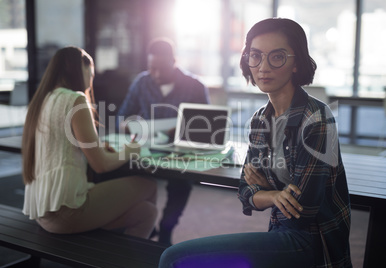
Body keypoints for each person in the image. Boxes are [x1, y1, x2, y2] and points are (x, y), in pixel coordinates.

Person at [158, 18, 352, 268]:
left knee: (174, 259)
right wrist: (275, 194)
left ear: (296, 63)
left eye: (277, 57)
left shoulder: (317, 118)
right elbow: (244, 192)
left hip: (311, 243)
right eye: (255, 55)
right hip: (279, 232)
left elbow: (304, 208)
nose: (263, 67)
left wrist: (265, 188)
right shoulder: (260, 120)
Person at [22, 46, 157, 239]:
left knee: (147, 212)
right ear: (80, 70)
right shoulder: (75, 100)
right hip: (66, 212)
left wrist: (98, 148)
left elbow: (61, 146)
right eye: (91, 74)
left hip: (44, 211)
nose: (90, 80)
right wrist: (131, 150)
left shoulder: (43, 99)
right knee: (149, 185)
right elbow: (100, 165)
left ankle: (118, 255)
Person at [116, 38, 210, 245]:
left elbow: (207, 126)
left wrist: (181, 129)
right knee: (126, 175)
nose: (156, 75)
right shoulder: (142, 82)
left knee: (181, 184)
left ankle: (166, 228)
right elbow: (121, 118)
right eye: (152, 68)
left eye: (162, 69)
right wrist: (131, 125)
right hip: (147, 149)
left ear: (174, 61)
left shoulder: (195, 86)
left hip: (180, 152)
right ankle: (144, 225)